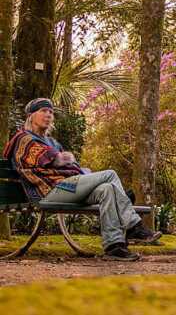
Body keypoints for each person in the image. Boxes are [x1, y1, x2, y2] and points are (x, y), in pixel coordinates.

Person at [3, 98, 161, 261]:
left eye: (51, 112)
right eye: (43, 111)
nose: (48, 115)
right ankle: (134, 225)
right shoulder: (23, 138)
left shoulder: (52, 142)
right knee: (110, 174)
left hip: (68, 188)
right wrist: (61, 160)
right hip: (49, 190)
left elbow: (70, 163)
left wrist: (66, 163)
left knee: (108, 189)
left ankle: (114, 246)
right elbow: (52, 159)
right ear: (31, 115)